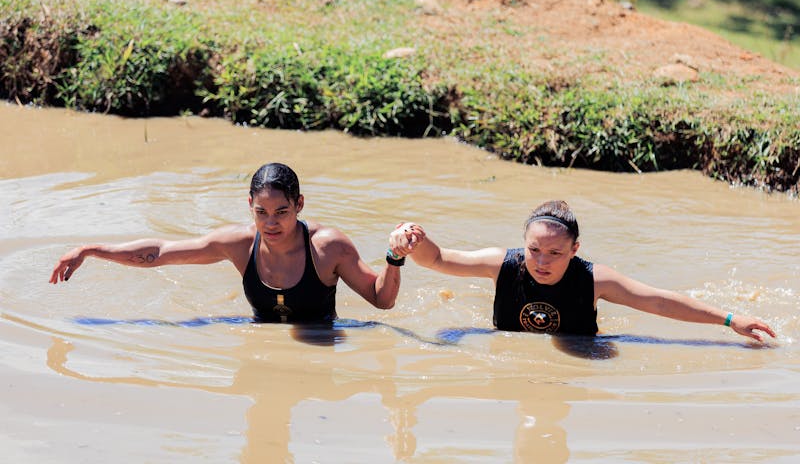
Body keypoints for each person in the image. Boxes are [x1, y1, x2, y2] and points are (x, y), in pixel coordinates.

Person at [50, 163, 403, 323]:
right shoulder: (238, 243)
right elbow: (159, 253)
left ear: (300, 205)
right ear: (248, 206)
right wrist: (89, 250)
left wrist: (394, 258)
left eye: (281, 211)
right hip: (258, 336)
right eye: (261, 211)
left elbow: (381, 300)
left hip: (322, 342)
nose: (270, 222)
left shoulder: (328, 247)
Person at [388, 200, 776, 342]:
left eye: (555, 253)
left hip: (581, 352)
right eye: (534, 249)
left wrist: (730, 320)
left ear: (575, 250)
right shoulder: (501, 264)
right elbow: (438, 260)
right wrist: (412, 242)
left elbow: (658, 303)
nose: (541, 261)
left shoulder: (594, 279)